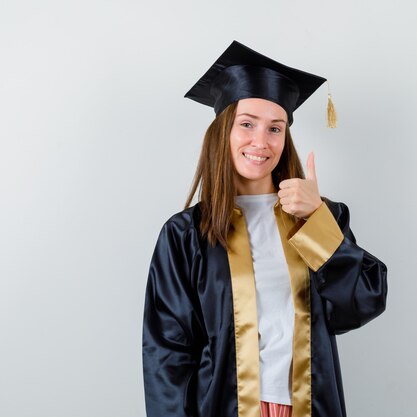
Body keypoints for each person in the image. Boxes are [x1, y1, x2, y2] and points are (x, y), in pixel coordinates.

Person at [142, 40, 388, 417]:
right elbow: (169, 353)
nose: (261, 141)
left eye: (275, 128)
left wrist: (316, 221)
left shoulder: (323, 216)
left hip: (310, 405)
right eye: (247, 124)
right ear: (222, 130)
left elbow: (361, 304)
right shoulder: (186, 234)